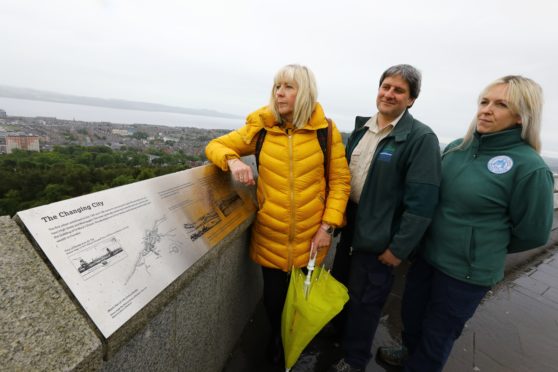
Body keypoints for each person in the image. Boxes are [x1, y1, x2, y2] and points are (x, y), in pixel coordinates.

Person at [377, 75, 555, 372]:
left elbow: (534, 232)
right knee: (412, 314)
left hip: (466, 273)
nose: (486, 110)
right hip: (427, 258)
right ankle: (408, 351)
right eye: (484, 102)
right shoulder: (457, 148)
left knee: (439, 335)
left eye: (500, 105)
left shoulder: (529, 167)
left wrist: (482, 244)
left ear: (521, 116)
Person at [205, 64, 351, 366]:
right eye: (276, 86)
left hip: (312, 241)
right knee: (274, 306)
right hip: (270, 240)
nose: (280, 93)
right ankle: (278, 349)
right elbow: (215, 146)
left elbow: (339, 182)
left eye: (288, 86)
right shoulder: (261, 128)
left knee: (298, 308)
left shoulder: (325, 130)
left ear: (305, 92)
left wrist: (328, 227)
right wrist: (233, 162)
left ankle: (288, 351)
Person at [328, 64, 442, 372]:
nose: (389, 94)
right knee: (341, 290)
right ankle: (337, 340)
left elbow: (423, 202)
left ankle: (353, 361)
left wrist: (398, 249)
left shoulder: (420, 138)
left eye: (399, 90)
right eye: (386, 86)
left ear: (412, 99)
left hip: (381, 238)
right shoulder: (362, 129)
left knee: (367, 304)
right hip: (350, 227)